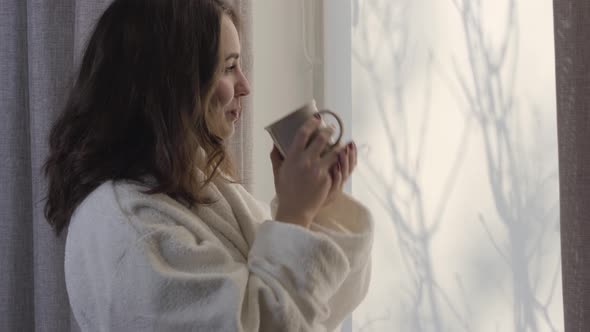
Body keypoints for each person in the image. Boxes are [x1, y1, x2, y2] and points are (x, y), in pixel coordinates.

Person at [43, 0, 374, 331]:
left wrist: (319, 207)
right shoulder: (124, 228)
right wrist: (294, 216)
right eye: (229, 68)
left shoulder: (205, 188)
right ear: (173, 82)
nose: (245, 86)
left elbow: (320, 308)